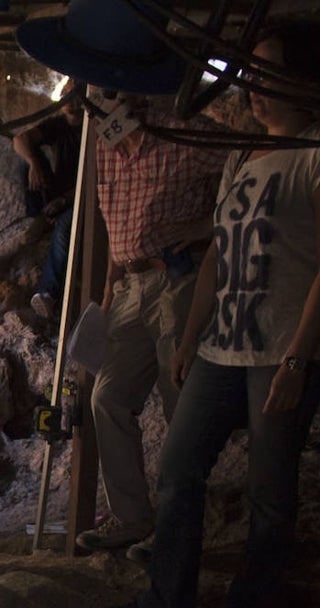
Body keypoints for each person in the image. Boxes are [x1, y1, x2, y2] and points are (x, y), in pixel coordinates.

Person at [99, 22, 320, 608]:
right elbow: (220, 254)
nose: (255, 90)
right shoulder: (239, 159)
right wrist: (191, 335)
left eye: (268, 75)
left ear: (305, 81)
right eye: (249, 75)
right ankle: (170, 600)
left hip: (281, 347)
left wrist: (299, 358)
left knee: (270, 495)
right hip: (225, 345)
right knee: (179, 468)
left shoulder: (313, 154)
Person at [74, 93, 228, 555]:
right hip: (129, 285)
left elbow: (252, 167)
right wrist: (108, 287)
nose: (97, 113)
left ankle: (178, 531)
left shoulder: (180, 132)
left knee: (178, 401)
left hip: (176, 279)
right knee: (107, 398)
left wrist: (210, 223)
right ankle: (133, 518)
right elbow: (113, 222)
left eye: (104, 100)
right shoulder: (104, 141)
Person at [12, 99, 84, 319]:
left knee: (63, 228)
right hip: (60, 192)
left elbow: (95, 176)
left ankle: (47, 292)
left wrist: (64, 201)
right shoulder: (60, 124)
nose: (69, 103)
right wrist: (34, 162)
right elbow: (20, 140)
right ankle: (39, 218)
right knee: (27, 162)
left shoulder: (94, 129)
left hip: (83, 195)